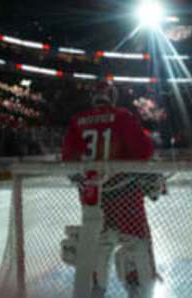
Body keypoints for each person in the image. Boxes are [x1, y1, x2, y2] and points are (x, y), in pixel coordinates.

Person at [61, 81, 159, 298]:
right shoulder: (122, 116)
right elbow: (144, 151)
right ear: (111, 97)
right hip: (125, 195)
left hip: (93, 199)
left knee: (98, 246)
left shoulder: (78, 121)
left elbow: (68, 160)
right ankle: (138, 288)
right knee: (136, 244)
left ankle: (96, 289)